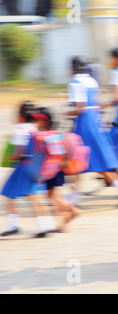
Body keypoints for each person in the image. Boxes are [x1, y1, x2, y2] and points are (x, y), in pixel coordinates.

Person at [67, 56, 118, 198]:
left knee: (76, 156)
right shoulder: (92, 81)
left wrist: (66, 113)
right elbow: (95, 103)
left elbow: (80, 108)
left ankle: (74, 194)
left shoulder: (75, 83)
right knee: (96, 157)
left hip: (84, 123)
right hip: (95, 120)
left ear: (73, 69)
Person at [1, 102, 56, 237]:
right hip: (37, 165)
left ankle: (20, 226)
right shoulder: (34, 128)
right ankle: (46, 225)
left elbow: (19, 153)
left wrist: (9, 157)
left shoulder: (19, 129)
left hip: (24, 167)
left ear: (20, 116)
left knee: (20, 195)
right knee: (33, 195)